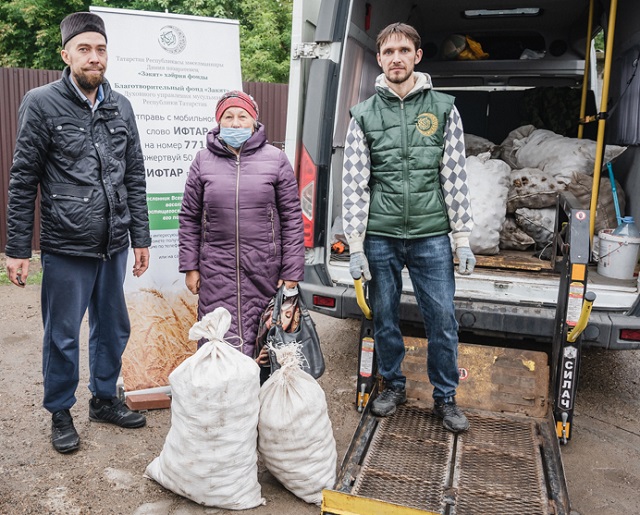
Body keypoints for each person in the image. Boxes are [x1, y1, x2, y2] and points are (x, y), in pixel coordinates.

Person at [4, 12, 151, 454]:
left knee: (112, 327)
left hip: (114, 241)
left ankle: (104, 399)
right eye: (84, 49)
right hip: (66, 243)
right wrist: (16, 248)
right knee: (62, 334)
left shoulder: (119, 104)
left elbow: (135, 174)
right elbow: (23, 177)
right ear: (66, 54)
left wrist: (140, 237)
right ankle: (61, 411)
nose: (94, 57)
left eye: (101, 49)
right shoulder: (41, 102)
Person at [342, 23, 476, 433]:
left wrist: (462, 238)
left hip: (431, 235)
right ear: (378, 59)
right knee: (384, 317)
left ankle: (446, 397)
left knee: (442, 319)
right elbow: (354, 183)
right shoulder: (363, 115)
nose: (396, 58)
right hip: (381, 236)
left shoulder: (442, 108)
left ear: (418, 56)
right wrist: (356, 244)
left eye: (404, 50)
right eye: (388, 52)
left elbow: (454, 176)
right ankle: (393, 385)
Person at [178, 90, 304, 364]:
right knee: (219, 346)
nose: (235, 123)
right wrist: (191, 266)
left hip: (265, 270)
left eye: (242, 116)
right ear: (218, 122)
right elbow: (189, 216)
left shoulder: (275, 159)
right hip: (215, 271)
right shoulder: (203, 161)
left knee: (265, 344)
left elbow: (293, 217)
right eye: (228, 116)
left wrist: (292, 271)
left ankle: (260, 402)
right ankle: (224, 403)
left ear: (254, 121)